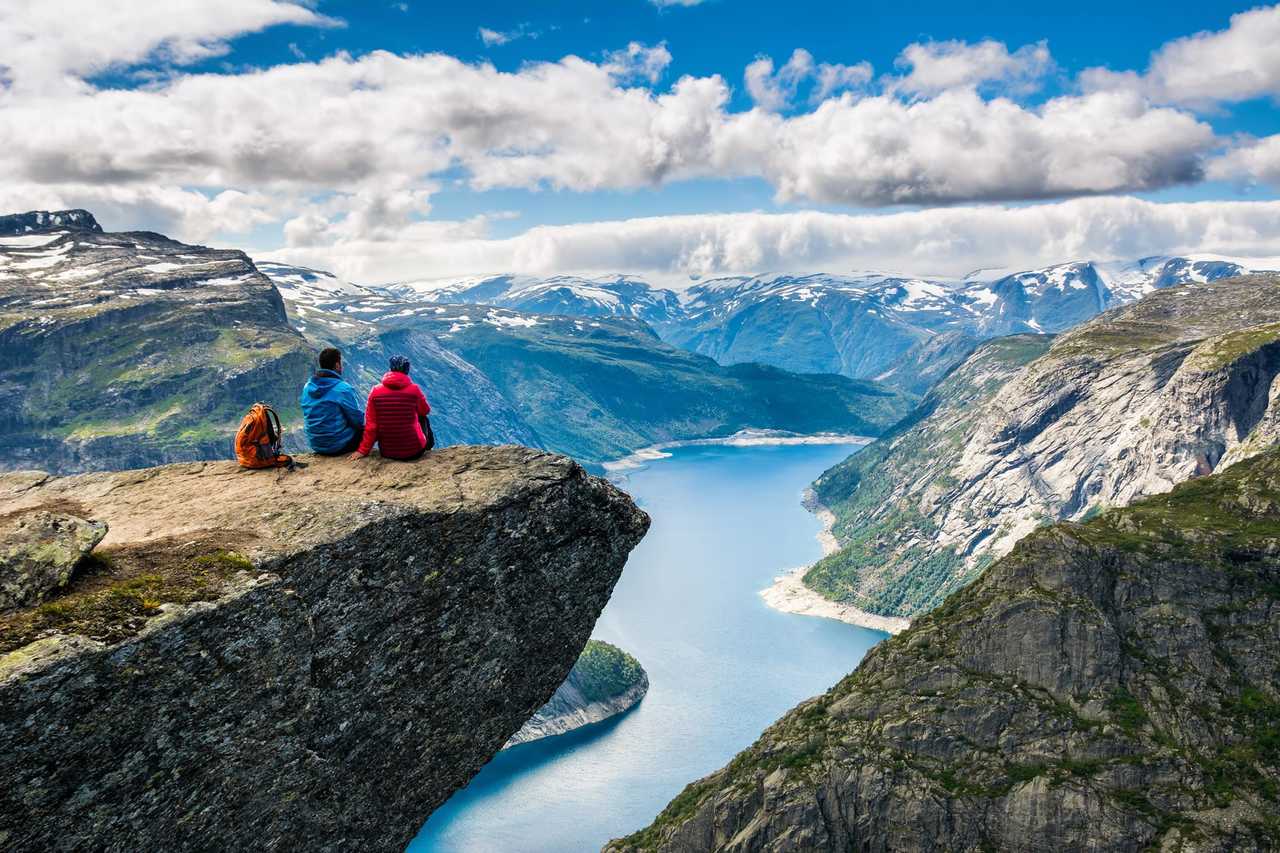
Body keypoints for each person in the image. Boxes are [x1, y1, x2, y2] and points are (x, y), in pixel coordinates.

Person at [351, 355, 434, 461]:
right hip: (415, 452)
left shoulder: (375, 391)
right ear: (407, 370)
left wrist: (362, 450)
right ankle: (428, 448)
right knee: (423, 417)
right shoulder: (414, 390)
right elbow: (425, 410)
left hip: (388, 452)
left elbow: (371, 426)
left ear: (390, 368)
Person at [300, 347, 365, 455]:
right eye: (341, 363)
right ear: (337, 365)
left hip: (316, 444)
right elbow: (357, 421)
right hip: (338, 446)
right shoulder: (342, 389)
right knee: (371, 428)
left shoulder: (307, 387)